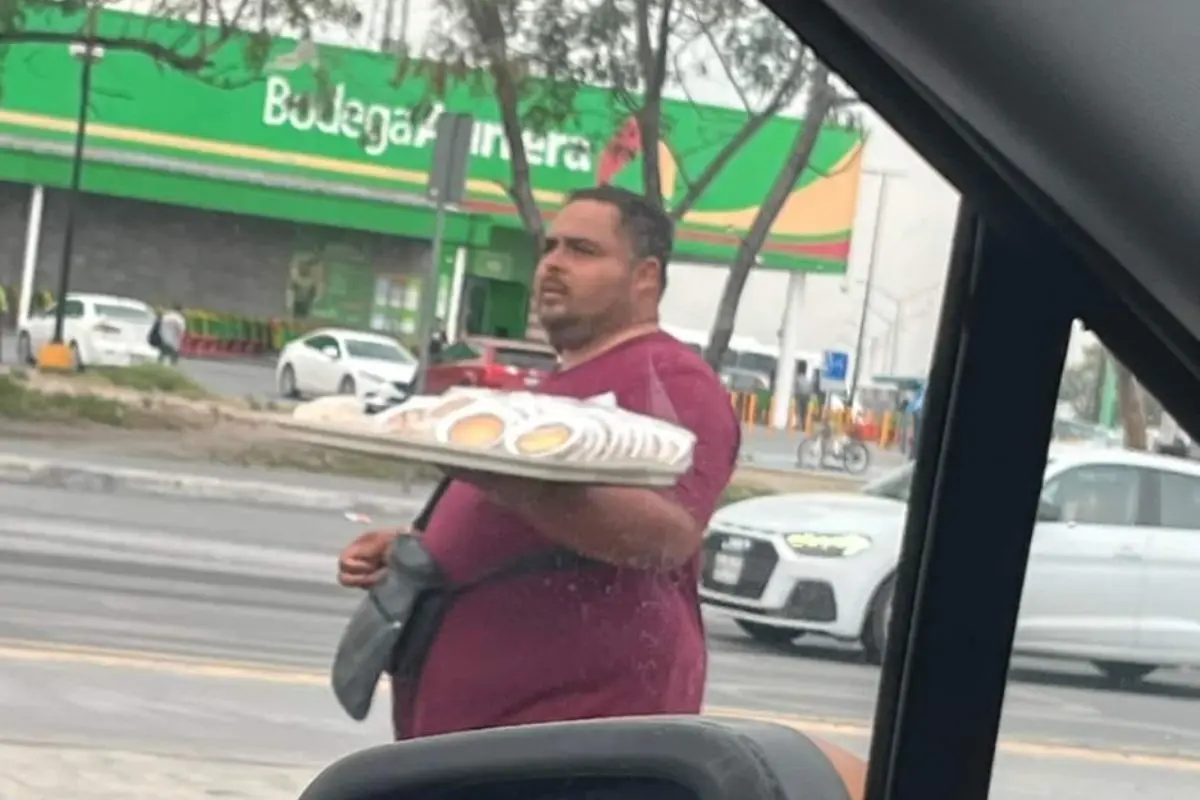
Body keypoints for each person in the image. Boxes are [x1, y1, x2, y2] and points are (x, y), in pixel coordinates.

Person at [337, 185, 740, 740]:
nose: (552, 265)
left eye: (582, 250)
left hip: (571, 749)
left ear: (645, 276)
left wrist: (506, 478)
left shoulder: (668, 379)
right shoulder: (566, 382)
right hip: (478, 742)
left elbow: (666, 537)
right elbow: (530, 524)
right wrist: (416, 550)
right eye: (549, 248)